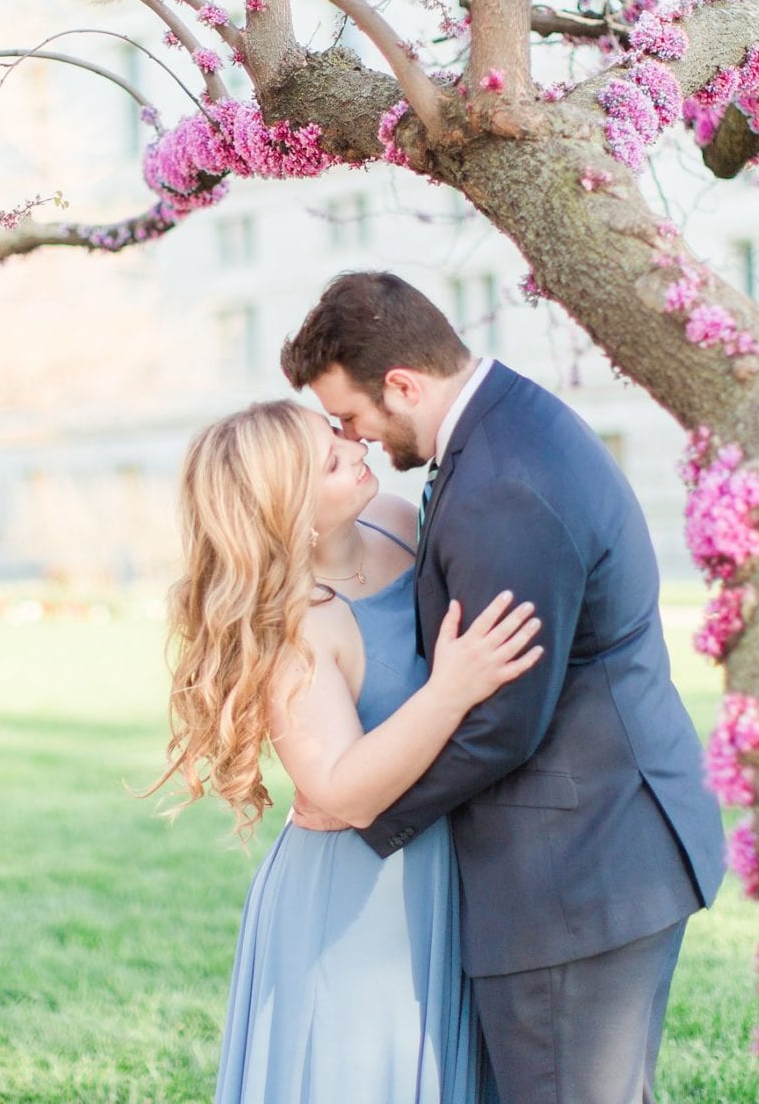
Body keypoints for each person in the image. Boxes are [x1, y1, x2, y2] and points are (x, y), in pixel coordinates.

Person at [279, 271, 728, 1104]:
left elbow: (502, 721)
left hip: (579, 866)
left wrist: (360, 806)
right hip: (607, 839)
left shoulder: (501, 486)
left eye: (352, 418)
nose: (356, 438)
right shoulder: (505, 423)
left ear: (404, 384)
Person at [155, 400, 540, 1104]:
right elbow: (341, 791)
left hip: (443, 859)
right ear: (291, 512)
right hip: (356, 896)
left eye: (336, 433)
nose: (355, 447)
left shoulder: (394, 519)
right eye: (331, 460)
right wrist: (449, 690)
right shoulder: (296, 626)